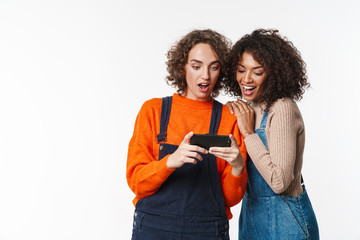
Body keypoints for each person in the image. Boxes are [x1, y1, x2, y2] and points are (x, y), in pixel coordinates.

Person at [127, 29, 247, 240]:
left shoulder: (230, 118)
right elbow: (137, 181)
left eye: (214, 67)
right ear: (182, 67)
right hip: (155, 228)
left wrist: (238, 166)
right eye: (196, 66)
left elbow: (228, 200)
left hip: (207, 230)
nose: (205, 76)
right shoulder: (153, 111)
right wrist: (170, 161)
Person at [224, 29, 319, 239]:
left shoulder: (282, 108)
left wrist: (248, 132)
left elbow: (279, 182)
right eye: (241, 70)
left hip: (286, 218)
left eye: (257, 72)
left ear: (274, 74)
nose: (246, 79)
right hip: (251, 216)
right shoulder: (248, 108)